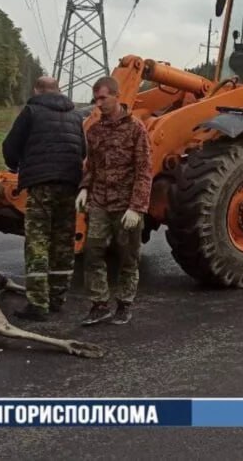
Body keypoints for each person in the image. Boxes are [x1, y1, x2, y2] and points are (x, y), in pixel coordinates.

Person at [2, 76, 86, 322]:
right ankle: (58, 298)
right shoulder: (75, 116)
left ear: (37, 89)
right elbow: (84, 151)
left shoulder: (32, 111)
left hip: (41, 184)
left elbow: (11, 145)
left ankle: (38, 303)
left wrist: (14, 166)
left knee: (38, 241)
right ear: (59, 90)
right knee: (62, 241)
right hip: (69, 183)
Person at [77, 76, 151, 326]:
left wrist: (136, 207)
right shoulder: (95, 131)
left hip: (125, 205)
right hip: (100, 201)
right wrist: (85, 189)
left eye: (103, 98)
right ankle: (99, 305)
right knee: (92, 253)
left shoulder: (135, 128)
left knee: (128, 256)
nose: (99, 104)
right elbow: (91, 166)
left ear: (117, 96)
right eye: (96, 99)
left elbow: (144, 170)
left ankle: (124, 304)